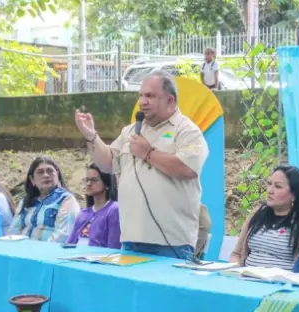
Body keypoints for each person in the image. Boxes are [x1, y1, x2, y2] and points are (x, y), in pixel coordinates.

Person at [74, 71, 209, 259]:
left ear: (170, 100)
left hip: (171, 243)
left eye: (150, 96)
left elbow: (187, 168)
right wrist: (91, 136)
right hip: (131, 239)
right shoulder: (130, 131)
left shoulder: (187, 131)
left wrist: (148, 153)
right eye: (141, 95)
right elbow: (107, 164)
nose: (142, 102)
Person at [231, 165, 299, 269]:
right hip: (247, 279)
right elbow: (236, 254)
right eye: (269, 184)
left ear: (294, 194)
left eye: (278, 187)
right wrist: (236, 270)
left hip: (283, 283)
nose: (270, 190)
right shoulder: (258, 213)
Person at [9, 156, 80, 242]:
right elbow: (13, 233)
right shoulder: (25, 202)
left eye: (50, 171)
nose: (46, 175)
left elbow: (63, 236)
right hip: (22, 251)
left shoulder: (66, 200)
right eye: (40, 172)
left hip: (50, 253)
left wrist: (38, 252)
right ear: (32, 180)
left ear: (57, 175)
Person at [66, 163, 121, 248]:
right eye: (87, 180)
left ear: (106, 184)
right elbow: (69, 244)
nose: (88, 184)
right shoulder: (83, 213)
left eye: (94, 180)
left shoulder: (114, 210)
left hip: (100, 259)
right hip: (77, 258)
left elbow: (113, 247)